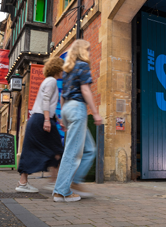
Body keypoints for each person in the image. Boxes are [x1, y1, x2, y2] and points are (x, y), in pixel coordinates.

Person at [53, 40, 102, 203]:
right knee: (73, 152)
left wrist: (62, 117)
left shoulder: (68, 70)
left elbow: (62, 95)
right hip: (77, 108)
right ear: (82, 50)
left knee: (89, 149)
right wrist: (95, 113)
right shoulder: (82, 65)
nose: (90, 52)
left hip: (67, 108)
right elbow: (85, 90)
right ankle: (61, 192)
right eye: (88, 49)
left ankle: (74, 182)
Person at [16, 57, 65, 194]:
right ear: (57, 69)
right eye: (62, 68)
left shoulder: (48, 81)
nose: (64, 71)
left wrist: (56, 119)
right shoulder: (52, 81)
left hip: (39, 118)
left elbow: (47, 103)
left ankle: (25, 182)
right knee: (56, 149)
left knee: (40, 149)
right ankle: (51, 182)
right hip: (41, 119)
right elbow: (45, 100)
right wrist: (47, 120)